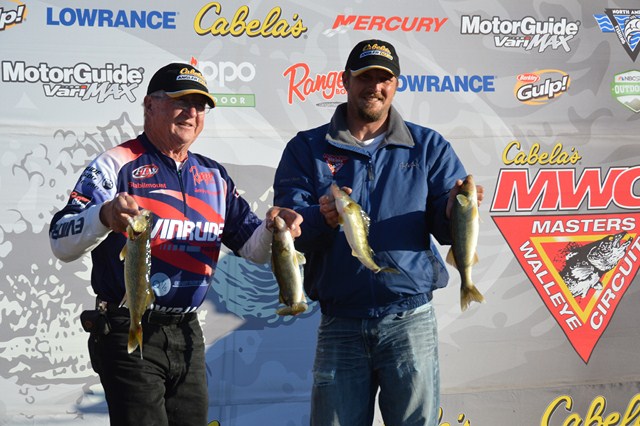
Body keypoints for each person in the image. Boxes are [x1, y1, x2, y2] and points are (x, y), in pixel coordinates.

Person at [49, 62, 302, 426]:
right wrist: (103, 215)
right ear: (150, 105)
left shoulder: (214, 175)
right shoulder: (116, 164)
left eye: (200, 106)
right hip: (127, 325)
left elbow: (252, 247)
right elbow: (61, 241)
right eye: (181, 101)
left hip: (187, 332)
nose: (191, 113)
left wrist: (277, 228)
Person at [273, 39, 484, 425]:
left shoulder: (428, 146)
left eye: (384, 78)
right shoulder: (306, 148)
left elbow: (446, 227)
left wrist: (454, 207)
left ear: (396, 84)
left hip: (410, 320)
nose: (375, 87)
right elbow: (289, 232)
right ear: (345, 81)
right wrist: (321, 218)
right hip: (340, 323)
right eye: (365, 77)